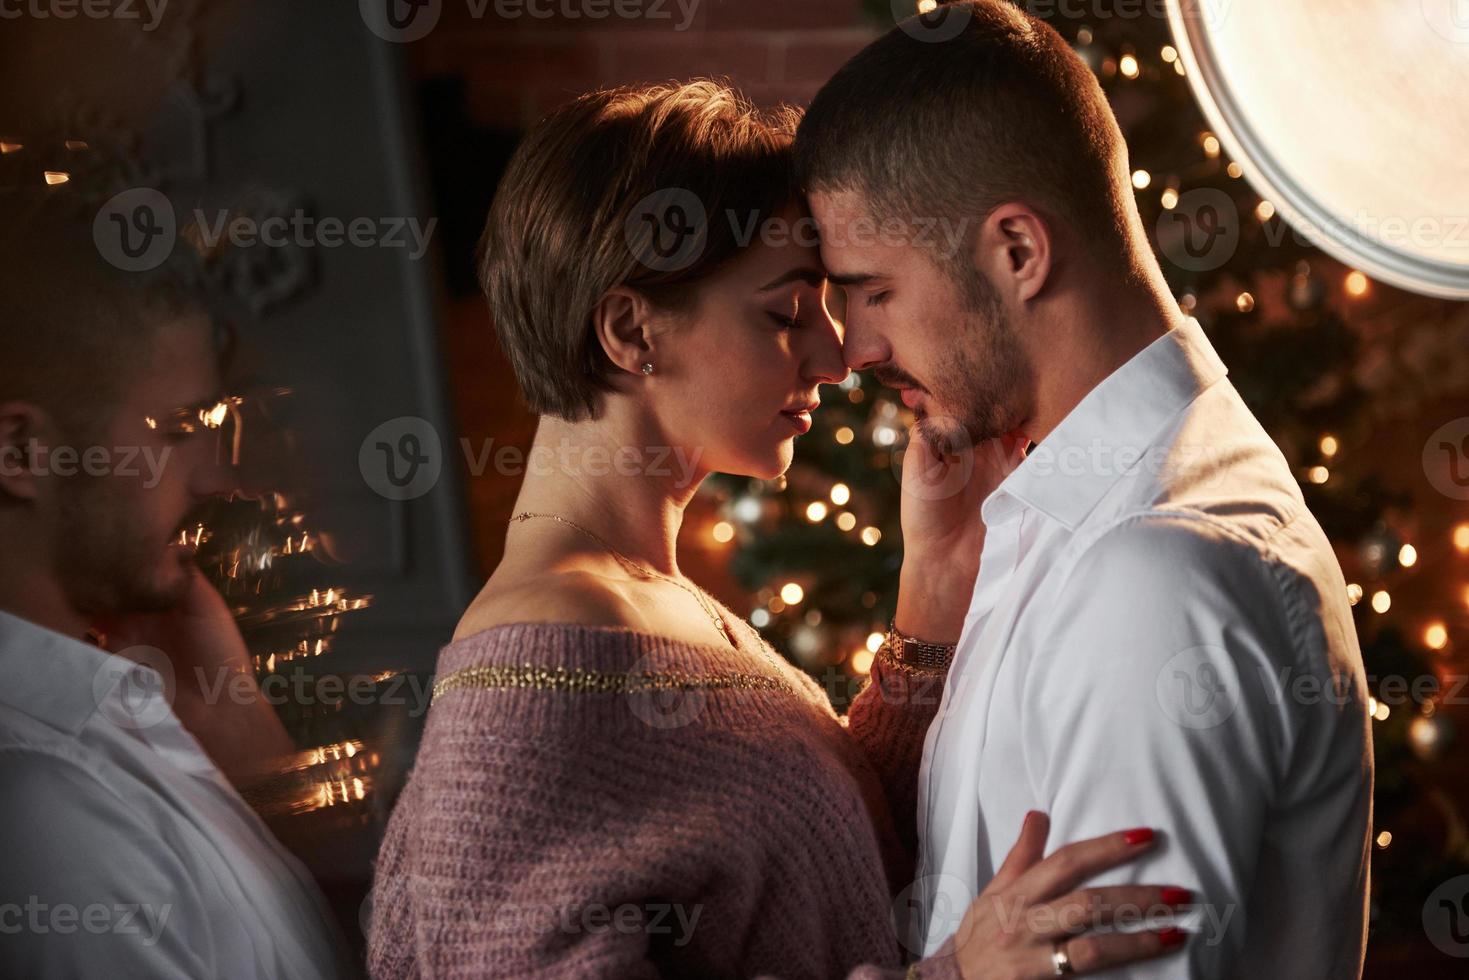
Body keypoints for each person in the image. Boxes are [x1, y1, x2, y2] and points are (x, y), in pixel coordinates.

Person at [368, 80, 1191, 980]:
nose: (836, 357)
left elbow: (827, 864)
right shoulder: (526, 690)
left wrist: (931, 596)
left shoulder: (646, 599)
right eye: (783, 314)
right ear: (629, 329)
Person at [791, 3, 1373, 977]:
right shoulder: (1055, 507)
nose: (854, 349)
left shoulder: (1152, 576)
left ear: (1016, 251)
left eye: (872, 289)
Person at [0, 195, 347, 978]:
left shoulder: (106, 733)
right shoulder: (42, 809)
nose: (216, 478)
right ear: (22, 453)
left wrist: (248, 744)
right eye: (174, 431)